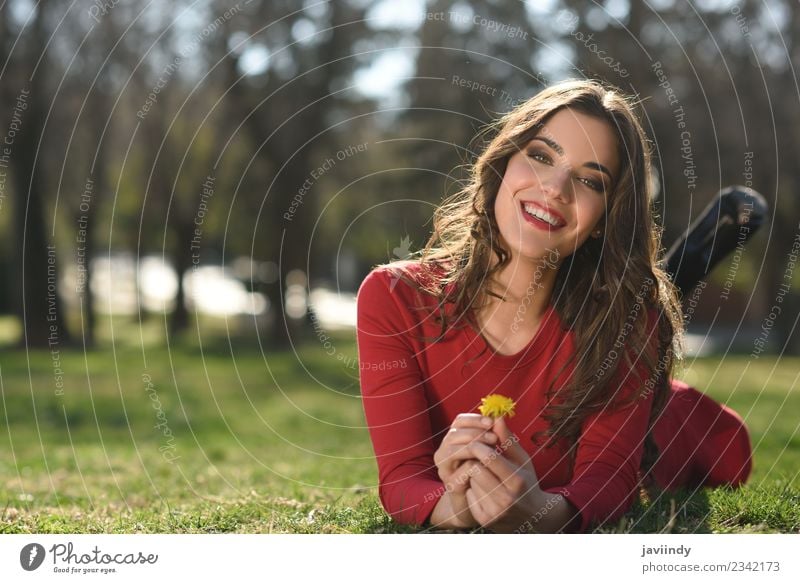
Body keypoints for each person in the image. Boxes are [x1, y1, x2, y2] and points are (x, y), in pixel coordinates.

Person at [356, 79, 752, 533]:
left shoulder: (626, 322)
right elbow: (402, 480)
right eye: (541, 156)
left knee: (719, 447)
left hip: (677, 432)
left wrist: (540, 513)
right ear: (504, 163)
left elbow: (608, 481)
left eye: (589, 180)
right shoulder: (394, 298)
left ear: (606, 218)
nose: (555, 187)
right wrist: (455, 507)